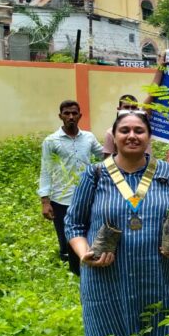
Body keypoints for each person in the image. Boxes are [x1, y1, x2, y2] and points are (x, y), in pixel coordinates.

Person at [65, 110, 169, 336]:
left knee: (162, 331)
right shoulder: (95, 174)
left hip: (159, 273)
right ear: (114, 136)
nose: (132, 136)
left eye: (139, 131)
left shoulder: (167, 174)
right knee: (110, 335)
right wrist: (84, 254)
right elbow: (74, 224)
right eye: (125, 131)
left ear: (149, 136)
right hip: (108, 274)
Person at [38, 100, 103, 276]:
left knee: (88, 232)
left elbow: (104, 156)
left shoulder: (89, 138)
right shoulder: (51, 141)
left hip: (87, 196)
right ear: (60, 116)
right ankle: (70, 269)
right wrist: (45, 201)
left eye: (74, 113)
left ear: (80, 116)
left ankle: (87, 266)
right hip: (61, 198)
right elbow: (46, 170)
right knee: (65, 236)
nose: (71, 117)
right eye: (66, 113)